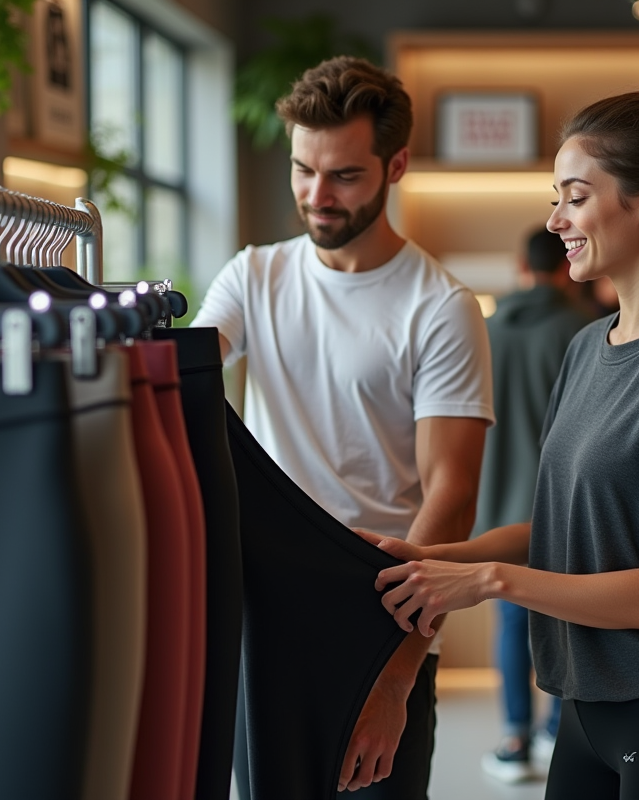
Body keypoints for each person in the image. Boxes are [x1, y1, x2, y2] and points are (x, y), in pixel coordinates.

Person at [358, 90, 639, 799]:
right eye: (557, 199)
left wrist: (487, 583)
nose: (555, 222)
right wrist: (433, 557)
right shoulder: (587, 348)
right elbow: (562, 531)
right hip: (586, 710)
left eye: (575, 198)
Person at [190, 56, 495, 799]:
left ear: (396, 165)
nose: (315, 196)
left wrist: (395, 676)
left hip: (378, 615)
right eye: (302, 170)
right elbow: (180, 388)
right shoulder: (253, 277)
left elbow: (450, 500)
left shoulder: (440, 308)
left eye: (343, 177)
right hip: (262, 613)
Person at [475, 229, 590, 783]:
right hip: (562, 511)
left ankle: (514, 737)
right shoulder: (584, 331)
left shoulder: (487, 331)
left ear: (521, 265)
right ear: (564, 265)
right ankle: (553, 732)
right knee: (566, 619)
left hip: (502, 509)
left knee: (510, 620)